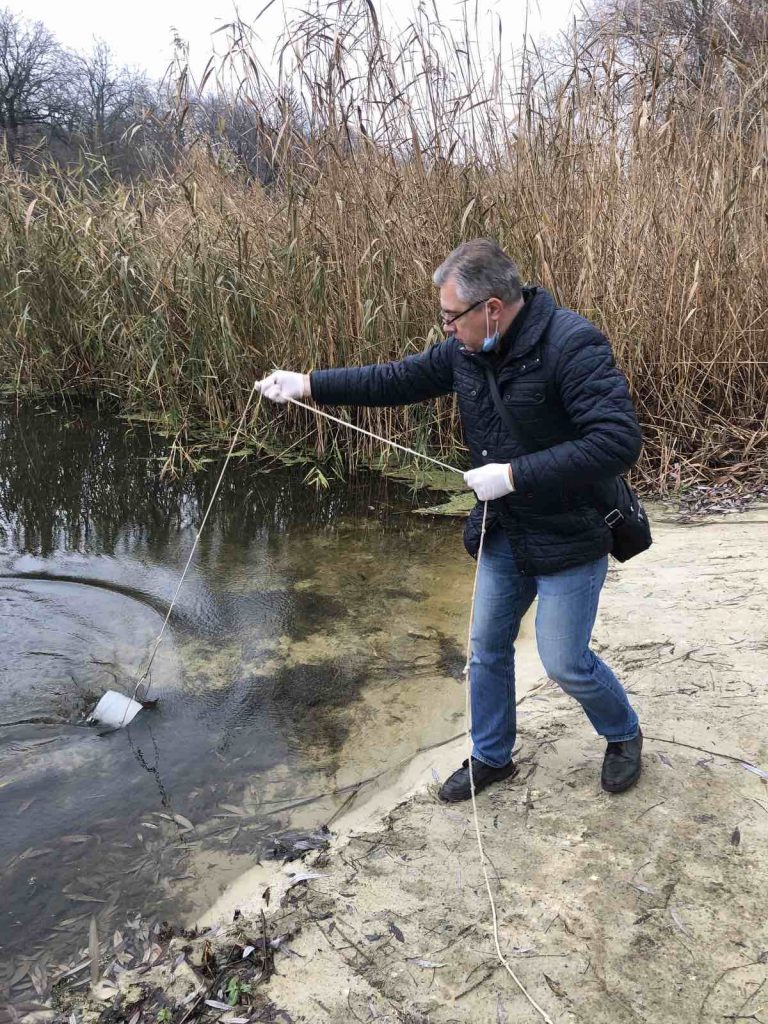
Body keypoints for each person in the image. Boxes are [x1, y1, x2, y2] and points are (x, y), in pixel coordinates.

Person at [256, 238, 643, 802]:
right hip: (504, 530)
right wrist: (308, 383)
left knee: (564, 660)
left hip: (570, 530)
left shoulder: (572, 345)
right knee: (486, 648)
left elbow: (616, 442)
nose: (446, 330)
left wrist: (514, 475)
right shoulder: (464, 351)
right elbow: (395, 379)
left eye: (450, 317)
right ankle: (492, 756)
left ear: (491, 307)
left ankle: (623, 732)